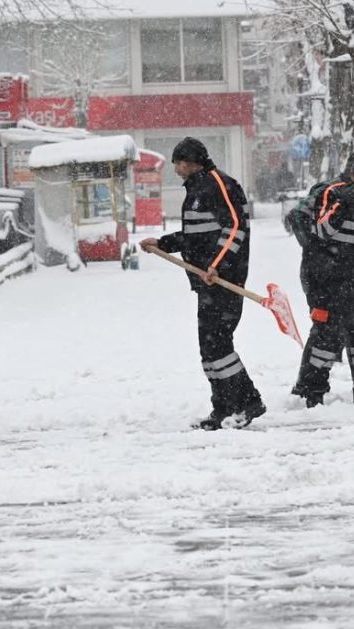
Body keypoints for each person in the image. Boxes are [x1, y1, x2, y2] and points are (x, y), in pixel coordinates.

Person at [139, 137, 265, 430]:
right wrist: (161, 243)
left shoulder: (217, 184)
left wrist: (216, 266)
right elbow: (195, 237)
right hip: (206, 283)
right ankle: (222, 408)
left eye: (177, 164)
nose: (176, 170)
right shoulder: (196, 190)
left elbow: (235, 227)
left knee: (219, 346)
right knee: (209, 350)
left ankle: (248, 402)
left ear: (187, 162)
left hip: (224, 280)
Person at [289, 149, 354, 407]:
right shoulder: (332, 193)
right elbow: (322, 230)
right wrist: (342, 204)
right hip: (327, 280)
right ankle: (312, 391)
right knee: (327, 337)